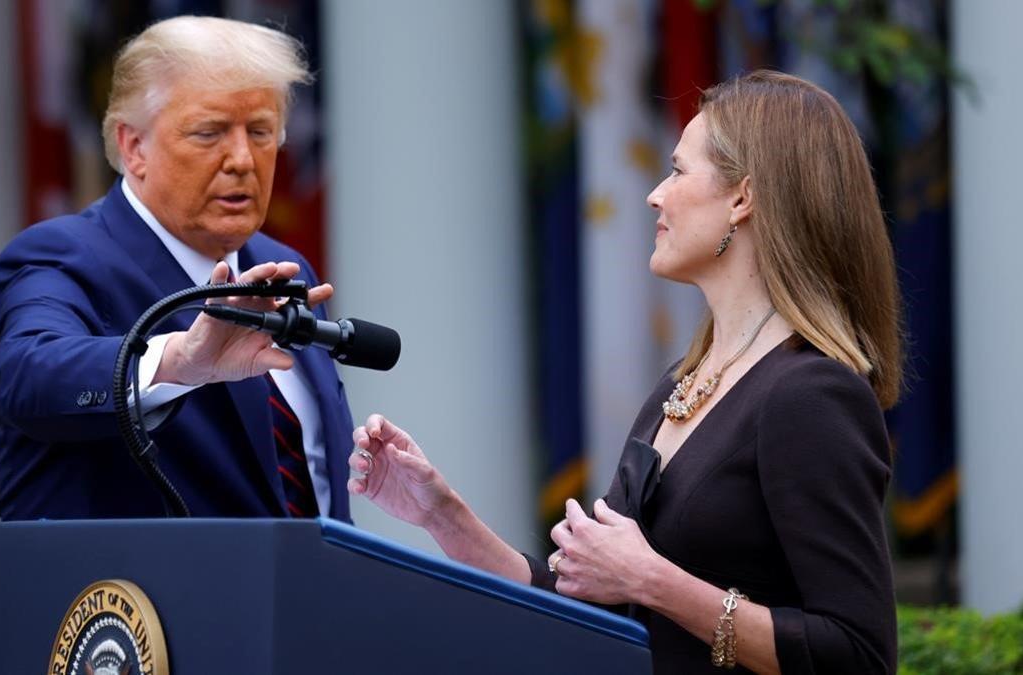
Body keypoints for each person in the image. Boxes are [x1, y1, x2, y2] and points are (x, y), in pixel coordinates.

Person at [348, 70, 900, 674]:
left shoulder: (810, 394)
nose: (655, 194)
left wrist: (653, 579)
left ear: (743, 198)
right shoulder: (684, 381)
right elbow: (577, 601)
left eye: (679, 171)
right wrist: (441, 514)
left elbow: (859, 655)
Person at [0, 16, 355, 522]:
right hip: (139, 598)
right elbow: (27, 378)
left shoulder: (286, 270)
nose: (244, 159)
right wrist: (180, 359)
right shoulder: (61, 255)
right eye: (210, 133)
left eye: (262, 132)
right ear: (135, 147)